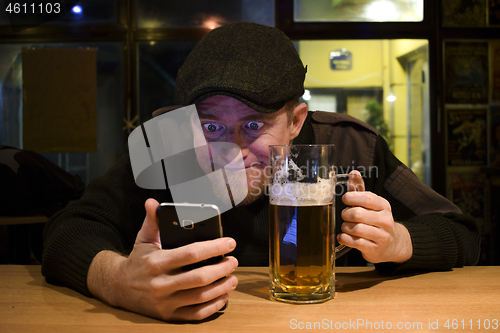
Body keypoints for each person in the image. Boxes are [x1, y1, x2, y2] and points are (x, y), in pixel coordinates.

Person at [42, 22, 480, 322]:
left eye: (254, 124)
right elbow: (68, 231)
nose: (232, 150)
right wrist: (118, 282)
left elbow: (464, 234)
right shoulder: (171, 145)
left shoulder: (350, 146)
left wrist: (399, 242)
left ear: (295, 120)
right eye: (211, 125)